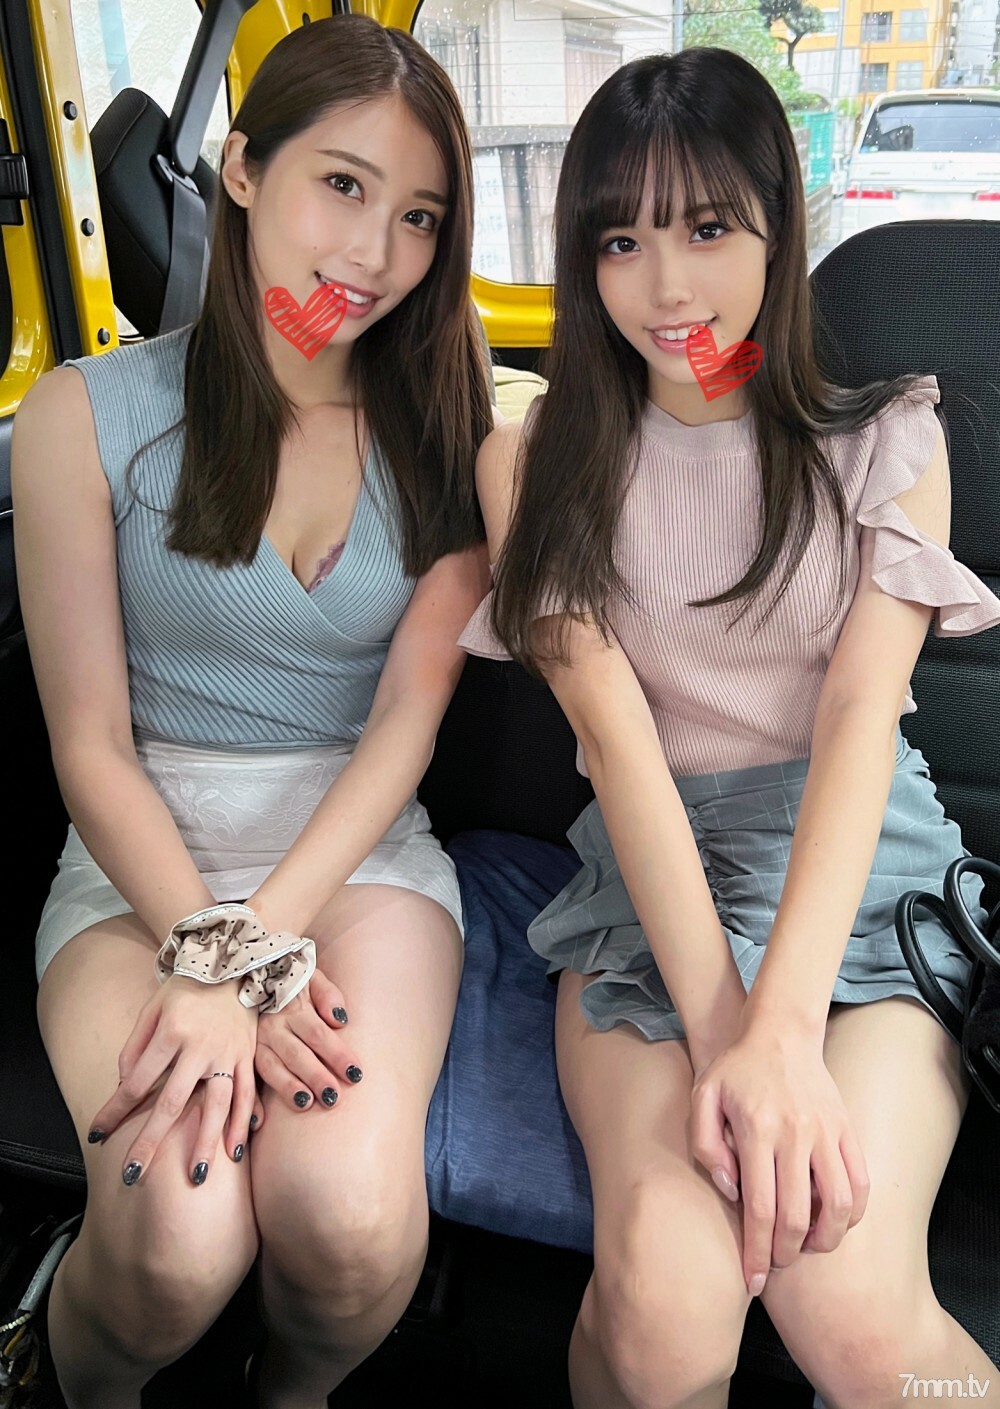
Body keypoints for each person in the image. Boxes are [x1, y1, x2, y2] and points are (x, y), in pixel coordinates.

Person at [459, 47, 1000, 1409]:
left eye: (707, 228)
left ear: (777, 226)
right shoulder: (531, 463)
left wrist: (787, 1032)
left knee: (854, 1313)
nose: (667, 286)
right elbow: (616, 742)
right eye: (621, 241)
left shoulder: (889, 442)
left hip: (859, 869)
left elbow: (862, 718)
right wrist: (731, 1038)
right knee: (664, 1305)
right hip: (653, 884)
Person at [12, 15, 494, 1409]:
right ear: (240, 169)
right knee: (175, 1229)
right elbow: (89, 743)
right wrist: (210, 948)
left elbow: (404, 726)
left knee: (346, 1221)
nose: (374, 253)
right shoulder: (85, 416)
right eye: (341, 185)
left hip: (357, 859)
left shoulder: (453, 438)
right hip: (136, 866)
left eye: (418, 216)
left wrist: (257, 951)